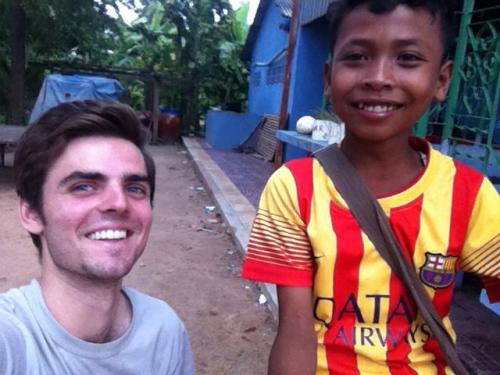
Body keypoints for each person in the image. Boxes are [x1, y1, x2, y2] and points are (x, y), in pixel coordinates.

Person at [242, 1, 500, 374]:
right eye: (358, 56)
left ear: (441, 80)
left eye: (408, 58)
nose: (379, 77)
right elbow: (295, 331)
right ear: (329, 79)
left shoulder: (469, 194)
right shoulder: (294, 189)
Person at [0, 100, 195, 374]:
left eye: (135, 188)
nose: (119, 202)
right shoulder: (10, 341)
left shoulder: (163, 331)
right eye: (83, 187)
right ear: (32, 213)